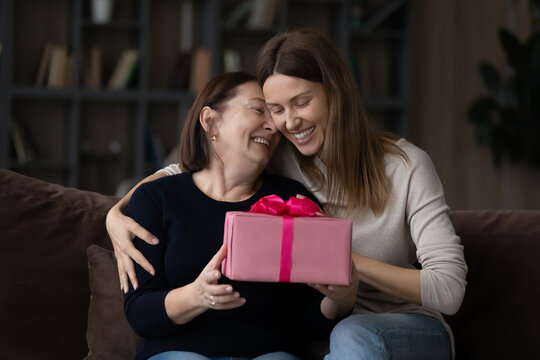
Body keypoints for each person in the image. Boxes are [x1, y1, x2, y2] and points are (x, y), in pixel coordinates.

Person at [107, 30, 467, 359]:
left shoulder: (406, 166)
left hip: (403, 325)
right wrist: (116, 212)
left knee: (351, 335)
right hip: (336, 325)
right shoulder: (286, 156)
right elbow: (196, 172)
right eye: (275, 110)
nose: (288, 122)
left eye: (301, 102)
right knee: (344, 335)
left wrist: (339, 258)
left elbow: (449, 290)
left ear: (335, 92)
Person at [122, 71, 358, 360]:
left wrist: (339, 301)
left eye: (274, 114)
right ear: (211, 121)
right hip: (179, 351)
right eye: (259, 109)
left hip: (270, 353)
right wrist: (196, 296)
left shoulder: (293, 200)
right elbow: (139, 312)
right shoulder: (156, 198)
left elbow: (308, 322)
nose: (274, 126)